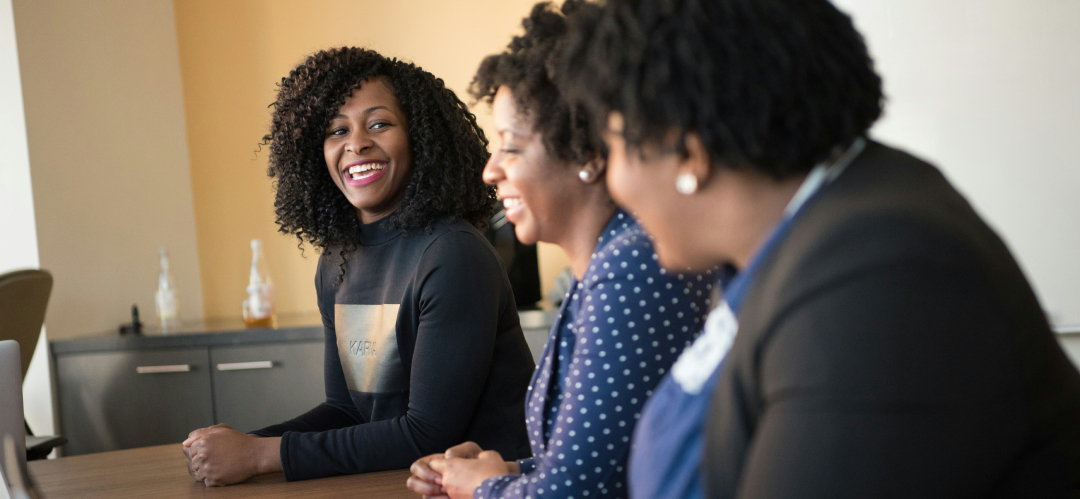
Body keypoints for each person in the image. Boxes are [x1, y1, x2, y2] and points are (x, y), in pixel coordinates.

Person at [560, 0, 1080, 497]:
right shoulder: (820, 230)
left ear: (687, 153)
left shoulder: (879, 269)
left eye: (613, 147)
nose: (611, 178)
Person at [182, 47, 536, 486]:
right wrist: (242, 444)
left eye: (379, 123)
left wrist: (259, 454)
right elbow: (347, 411)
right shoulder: (337, 259)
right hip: (396, 483)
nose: (356, 143)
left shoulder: (452, 253)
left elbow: (425, 433)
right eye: (336, 130)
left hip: (490, 490)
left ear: (420, 138)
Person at [405, 3, 711, 498]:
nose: (490, 170)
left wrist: (485, 488)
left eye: (511, 145)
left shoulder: (632, 265)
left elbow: (574, 493)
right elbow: (600, 461)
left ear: (587, 152)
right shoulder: (604, 265)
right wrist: (505, 469)